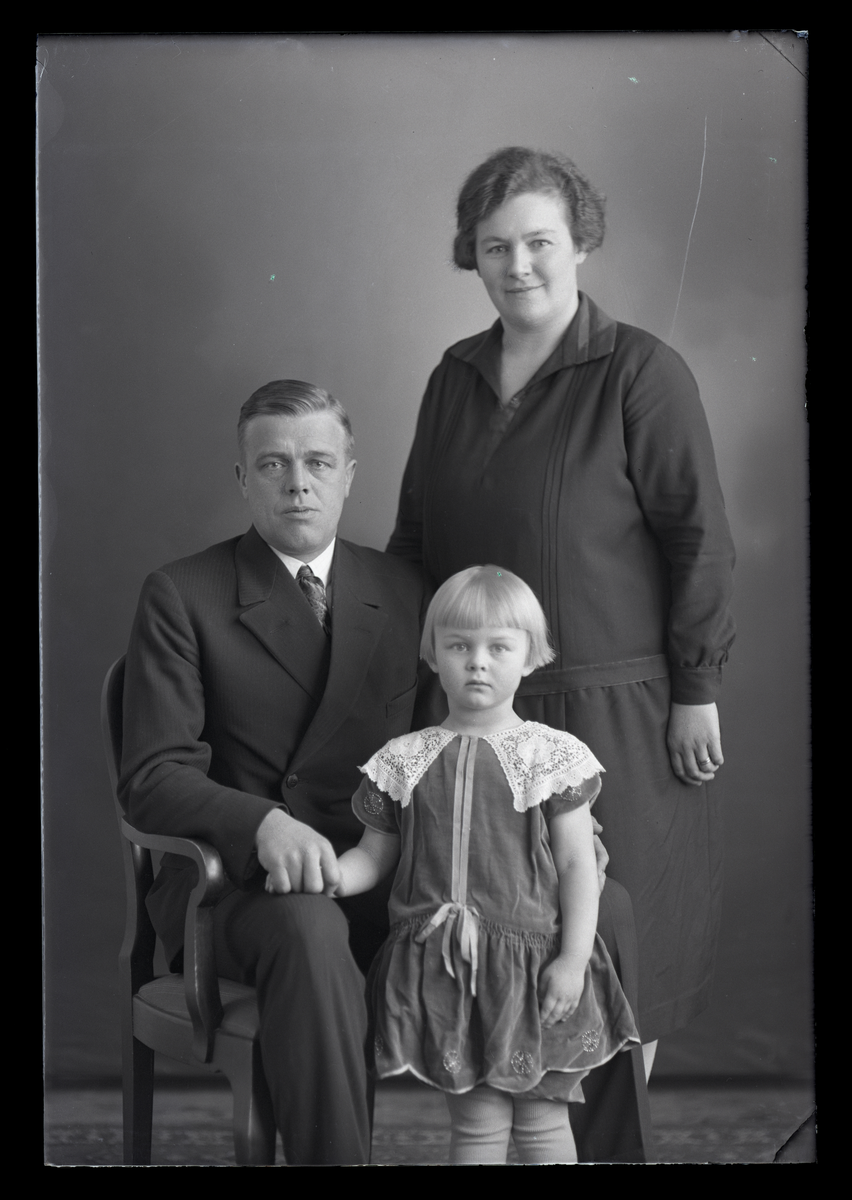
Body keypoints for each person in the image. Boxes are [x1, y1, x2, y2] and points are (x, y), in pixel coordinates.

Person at [387, 148, 736, 1128]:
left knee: (622, 950)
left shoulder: (642, 371)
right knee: (514, 956)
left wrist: (697, 688)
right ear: (472, 255)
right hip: (479, 723)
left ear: (581, 243)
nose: (519, 265)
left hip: (620, 714)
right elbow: (414, 543)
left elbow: (700, 540)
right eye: (495, 246)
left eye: (539, 241)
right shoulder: (453, 377)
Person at [119, 379, 427, 1165]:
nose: (298, 483)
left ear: (348, 474)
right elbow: (152, 775)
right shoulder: (182, 594)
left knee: (580, 900)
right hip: (234, 894)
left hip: (382, 878)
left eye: (318, 462)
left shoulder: (406, 591)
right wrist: (263, 824)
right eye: (274, 464)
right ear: (243, 478)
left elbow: (441, 749)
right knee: (307, 925)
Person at [319, 566, 640, 1165]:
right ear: (433, 655)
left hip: (535, 964)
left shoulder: (548, 756)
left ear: (529, 656)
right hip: (446, 970)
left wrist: (573, 960)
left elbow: (577, 863)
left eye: (499, 648)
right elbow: (372, 856)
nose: (478, 663)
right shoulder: (405, 759)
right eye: (459, 646)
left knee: (542, 1120)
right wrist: (329, 877)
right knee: (476, 1123)